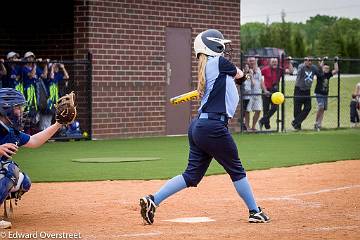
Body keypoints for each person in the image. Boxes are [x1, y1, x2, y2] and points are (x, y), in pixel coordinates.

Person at [139, 29, 270, 225]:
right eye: (221, 44)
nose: (224, 47)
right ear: (213, 46)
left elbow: (234, 80)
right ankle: (254, 211)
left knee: (191, 175)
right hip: (213, 127)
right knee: (237, 170)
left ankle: (153, 200)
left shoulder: (210, 67)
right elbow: (241, 77)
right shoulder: (220, 63)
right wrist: (246, 76)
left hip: (199, 126)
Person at [0, 88, 65, 229]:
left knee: (23, 181)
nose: (21, 111)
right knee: (9, 171)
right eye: (17, 107)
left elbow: (34, 141)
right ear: (4, 109)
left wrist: (58, 124)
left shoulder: (11, 132)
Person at [259, 58, 293, 130]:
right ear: (269, 63)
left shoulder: (280, 69)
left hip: (275, 92)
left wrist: (289, 62)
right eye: (273, 62)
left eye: (276, 62)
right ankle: (266, 124)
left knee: (275, 107)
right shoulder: (265, 69)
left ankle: (262, 120)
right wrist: (264, 90)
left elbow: (290, 72)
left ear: (278, 63)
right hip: (266, 90)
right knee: (266, 109)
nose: (274, 63)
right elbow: (259, 76)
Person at [292, 57, 319, 130]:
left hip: (307, 90)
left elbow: (319, 72)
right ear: (305, 61)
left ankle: (295, 122)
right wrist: (304, 63)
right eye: (308, 61)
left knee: (308, 107)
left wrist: (321, 61)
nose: (310, 62)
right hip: (298, 90)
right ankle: (297, 126)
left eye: (311, 61)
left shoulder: (313, 68)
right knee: (297, 110)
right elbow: (299, 71)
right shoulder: (301, 66)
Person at [314, 57, 338, 131]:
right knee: (320, 107)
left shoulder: (328, 75)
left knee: (323, 109)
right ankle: (316, 122)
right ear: (323, 68)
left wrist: (335, 61)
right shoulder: (320, 74)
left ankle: (319, 124)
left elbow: (336, 70)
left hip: (325, 94)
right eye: (325, 68)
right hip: (319, 93)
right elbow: (320, 66)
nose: (326, 69)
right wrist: (323, 60)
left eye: (328, 68)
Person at [246, 57, 264, 131]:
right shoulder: (246, 71)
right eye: (250, 61)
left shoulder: (259, 70)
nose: (252, 62)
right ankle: (247, 127)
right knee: (247, 111)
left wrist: (265, 90)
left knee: (258, 110)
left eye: (253, 61)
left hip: (258, 93)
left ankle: (253, 126)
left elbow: (261, 81)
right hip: (248, 94)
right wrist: (250, 74)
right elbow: (250, 83)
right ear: (248, 62)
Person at [240, 63, 252, 131]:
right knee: (243, 111)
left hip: (248, 96)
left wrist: (251, 75)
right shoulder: (241, 75)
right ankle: (243, 125)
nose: (246, 68)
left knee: (246, 111)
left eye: (247, 67)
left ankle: (245, 125)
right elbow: (241, 82)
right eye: (245, 67)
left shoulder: (248, 75)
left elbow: (252, 83)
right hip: (243, 96)